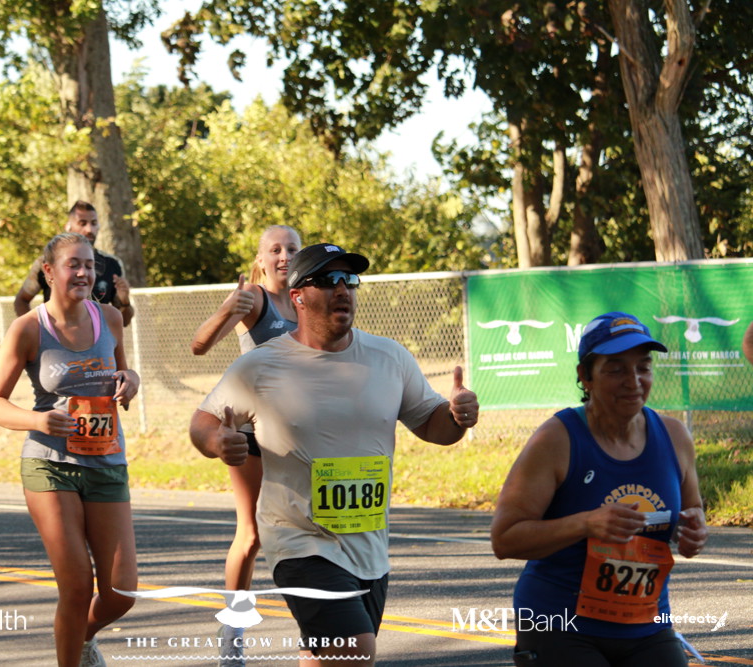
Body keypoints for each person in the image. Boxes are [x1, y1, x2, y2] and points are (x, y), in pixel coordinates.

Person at [190, 243, 480, 667]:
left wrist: (457, 416)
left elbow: (433, 425)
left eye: (349, 280)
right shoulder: (262, 365)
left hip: (368, 545)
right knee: (355, 649)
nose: (342, 289)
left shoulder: (389, 358)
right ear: (297, 296)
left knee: (327, 655)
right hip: (298, 541)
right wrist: (217, 442)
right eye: (327, 280)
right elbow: (202, 422)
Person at [490, 312, 709, 667]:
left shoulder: (674, 436)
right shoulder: (556, 439)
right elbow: (505, 539)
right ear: (585, 376)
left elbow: (693, 508)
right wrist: (586, 523)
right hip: (560, 622)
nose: (633, 381)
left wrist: (694, 529)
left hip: (646, 622)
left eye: (643, 367)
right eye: (616, 369)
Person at [0, 232, 140, 667]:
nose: (84, 273)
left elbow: (123, 375)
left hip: (107, 460)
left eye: (90, 265)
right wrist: (37, 420)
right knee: (76, 585)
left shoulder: (110, 318)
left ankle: (79, 640)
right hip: (50, 465)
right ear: (49, 272)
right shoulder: (29, 328)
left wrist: (131, 381)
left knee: (121, 592)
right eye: (74, 264)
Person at [190, 225, 301, 663]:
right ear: (261, 260)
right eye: (275, 249)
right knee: (252, 535)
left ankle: (322, 627)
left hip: (299, 439)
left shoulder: (307, 299)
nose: (284, 256)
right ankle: (232, 631)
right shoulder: (254, 298)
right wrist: (227, 310)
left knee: (310, 531)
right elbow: (199, 345)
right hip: (252, 436)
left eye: (292, 248)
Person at [14, 201, 134, 326]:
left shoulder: (113, 264)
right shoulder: (47, 261)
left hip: (97, 336)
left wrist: (125, 302)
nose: (89, 229)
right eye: (82, 223)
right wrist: (37, 330)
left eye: (89, 266)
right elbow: (22, 300)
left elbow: (123, 321)